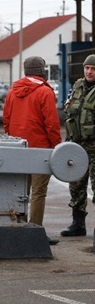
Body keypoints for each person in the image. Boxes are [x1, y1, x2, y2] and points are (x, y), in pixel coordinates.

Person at [3, 56, 61, 245]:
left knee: (19, 190)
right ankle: (35, 232)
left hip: (18, 149)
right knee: (38, 192)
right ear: (41, 71)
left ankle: (17, 227)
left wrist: (14, 139)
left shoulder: (13, 92)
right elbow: (51, 123)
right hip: (40, 149)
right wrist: (57, 146)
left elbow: (6, 120)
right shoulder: (45, 92)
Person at [60, 54, 95, 238]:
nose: (89, 72)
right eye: (87, 68)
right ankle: (78, 224)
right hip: (77, 144)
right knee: (76, 185)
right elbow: (71, 113)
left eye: (93, 69)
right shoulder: (78, 86)